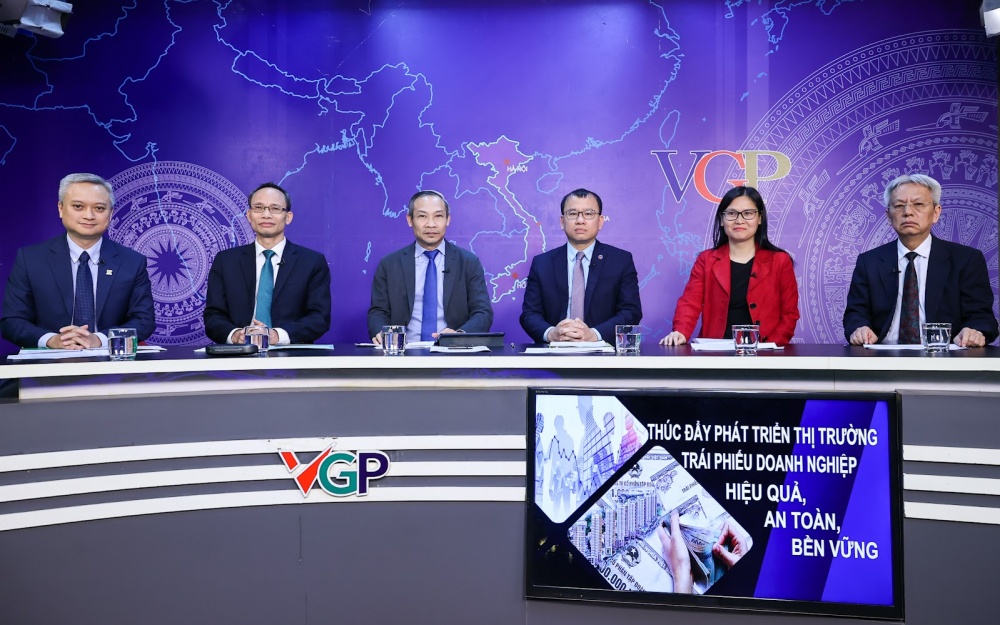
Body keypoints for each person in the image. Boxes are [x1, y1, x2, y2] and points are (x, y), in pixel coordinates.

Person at [1, 173, 155, 349]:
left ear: (111, 213)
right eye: (78, 206)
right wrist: (52, 340)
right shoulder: (30, 259)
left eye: (99, 208)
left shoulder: (132, 262)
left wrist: (99, 339)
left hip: (110, 359)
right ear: (60, 208)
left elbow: (144, 321)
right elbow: (12, 321)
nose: (89, 215)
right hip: (48, 361)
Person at [844, 173, 998, 347]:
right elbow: (855, 314)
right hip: (883, 355)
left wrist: (974, 331)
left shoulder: (966, 259)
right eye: (899, 205)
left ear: (936, 213)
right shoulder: (869, 262)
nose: (908, 212)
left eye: (918, 204)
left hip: (945, 356)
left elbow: (982, 317)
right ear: (888, 216)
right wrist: (860, 328)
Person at [661, 186, 799, 346]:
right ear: (721, 219)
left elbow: (789, 314)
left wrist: (768, 348)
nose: (739, 220)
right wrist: (680, 331)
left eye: (748, 213)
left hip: (765, 350)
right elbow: (690, 302)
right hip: (715, 351)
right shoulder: (706, 260)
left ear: (760, 218)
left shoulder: (780, 261)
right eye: (731, 213)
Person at [203, 182, 331, 345]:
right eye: (258, 208)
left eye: (275, 208)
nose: (266, 215)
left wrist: (277, 336)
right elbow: (213, 315)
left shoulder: (311, 262)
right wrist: (235, 335)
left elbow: (319, 317)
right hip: (239, 354)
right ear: (249, 215)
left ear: (288, 217)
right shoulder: (225, 261)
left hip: (291, 355)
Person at [367, 190, 493, 343]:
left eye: (438, 216)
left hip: (452, 350)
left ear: (448, 220)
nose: (431, 224)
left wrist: (459, 334)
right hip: (404, 351)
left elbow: (483, 312)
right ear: (410, 220)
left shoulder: (468, 262)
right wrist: (380, 332)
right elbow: (378, 311)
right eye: (422, 216)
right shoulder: (389, 264)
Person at [519, 188, 641, 343]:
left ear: (600, 221)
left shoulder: (620, 261)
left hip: (603, 351)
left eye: (588, 214)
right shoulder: (542, 263)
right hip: (555, 351)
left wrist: (594, 334)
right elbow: (530, 314)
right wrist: (551, 334)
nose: (580, 220)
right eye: (572, 214)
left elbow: (630, 311)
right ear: (562, 221)